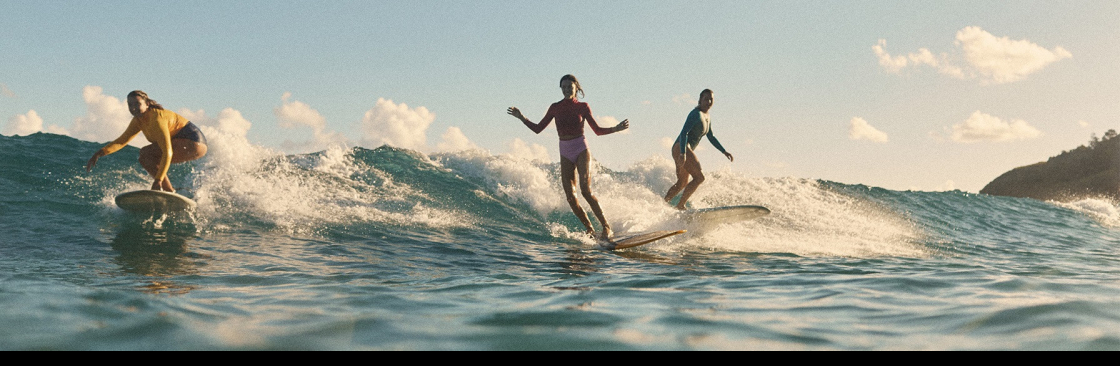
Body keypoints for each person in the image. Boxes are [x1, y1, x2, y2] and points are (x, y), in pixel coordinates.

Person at [507, 74, 629, 240]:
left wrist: (615, 128)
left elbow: (597, 130)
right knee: (571, 198)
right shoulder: (555, 107)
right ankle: (590, 230)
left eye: (569, 87)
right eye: (563, 87)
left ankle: (607, 227)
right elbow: (538, 129)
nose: (566, 89)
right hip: (564, 151)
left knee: (585, 190)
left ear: (576, 88)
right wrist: (522, 117)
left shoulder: (583, 107)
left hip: (581, 148)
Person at [85, 90, 208, 193]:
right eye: (130, 105)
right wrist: (99, 153)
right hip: (188, 144)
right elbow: (122, 141)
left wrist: (158, 180)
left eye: (137, 104)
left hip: (194, 143)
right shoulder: (139, 120)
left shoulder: (157, 118)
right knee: (145, 156)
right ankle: (171, 191)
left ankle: (167, 189)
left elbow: (167, 152)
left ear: (147, 104)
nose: (133, 108)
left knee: (146, 154)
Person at [664, 89, 733, 210]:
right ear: (700, 100)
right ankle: (680, 205)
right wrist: (683, 153)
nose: (709, 101)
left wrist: (724, 151)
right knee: (699, 177)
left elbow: (711, 136)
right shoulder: (695, 114)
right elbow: (684, 133)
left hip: (681, 149)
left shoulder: (707, 117)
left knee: (682, 182)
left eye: (711, 99)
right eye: (706, 99)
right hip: (681, 148)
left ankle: (663, 204)